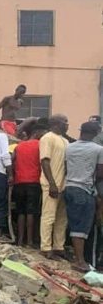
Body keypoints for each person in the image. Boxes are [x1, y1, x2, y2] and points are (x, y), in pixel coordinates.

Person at [64, 122, 103, 271]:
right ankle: (80, 261)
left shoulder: (69, 147)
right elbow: (100, 173)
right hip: (85, 189)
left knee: (74, 224)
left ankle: (79, 259)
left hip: (70, 187)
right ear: (95, 133)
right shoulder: (98, 149)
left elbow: (67, 167)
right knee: (82, 227)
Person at [12, 119, 48, 247]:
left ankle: (20, 240)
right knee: (31, 212)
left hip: (19, 182)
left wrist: (12, 175)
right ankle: (30, 241)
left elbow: (11, 160)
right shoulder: (40, 146)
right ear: (38, 133)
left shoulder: (19, 145)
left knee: (21, 212)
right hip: (34, 182)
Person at [40, 115, 71, 259]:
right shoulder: (48, 138)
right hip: (51, 185)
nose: (67, 125)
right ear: (56, 124)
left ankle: (59, 247)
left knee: (61, 219)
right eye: (65, 122)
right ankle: (46, 248)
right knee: (49, 217)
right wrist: (52, 184)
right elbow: (45, 161)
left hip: (64, 186)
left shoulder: (65, 141)